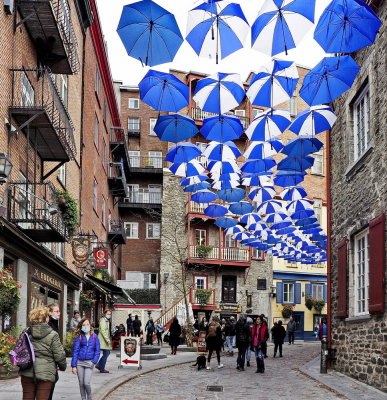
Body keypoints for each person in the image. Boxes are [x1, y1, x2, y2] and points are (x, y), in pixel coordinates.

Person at [20, 307, 66, 400]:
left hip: (27, 370)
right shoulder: (53, 334)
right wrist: (62, 366)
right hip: (46, 372)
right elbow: (59, 355)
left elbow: (19, 349)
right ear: (46, 319)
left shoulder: (26, 332)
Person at [71, 318, 101, 400]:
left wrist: (94, 361)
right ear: (81, 327)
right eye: (84, 325)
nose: (86, 326)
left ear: (90, 325)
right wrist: (73, 365)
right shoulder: (79, 337)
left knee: (86, 383)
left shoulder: (94, 337)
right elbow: (75, 352)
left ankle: (89, 398)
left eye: (87, 324)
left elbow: (97, 350)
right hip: (79, 363)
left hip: (89, 363)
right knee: (81, 383)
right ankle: (83, 398)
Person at [47, 303, 60, 400]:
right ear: (50, 313)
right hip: (49, 361)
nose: (59, 313)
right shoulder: (49, 325)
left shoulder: (54, 323)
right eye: (57, 311)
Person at [95, 309, 112, 373]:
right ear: (104, 314)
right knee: (106, 353)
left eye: (110, 314)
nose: (109, 315)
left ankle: (99, 365)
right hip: (103, 340)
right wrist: (107, 340)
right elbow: (103, 331)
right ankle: (101, 368)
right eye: (108, 314)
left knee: (107, 353)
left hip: (104, 339)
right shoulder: (103, 320)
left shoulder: (106, 320)